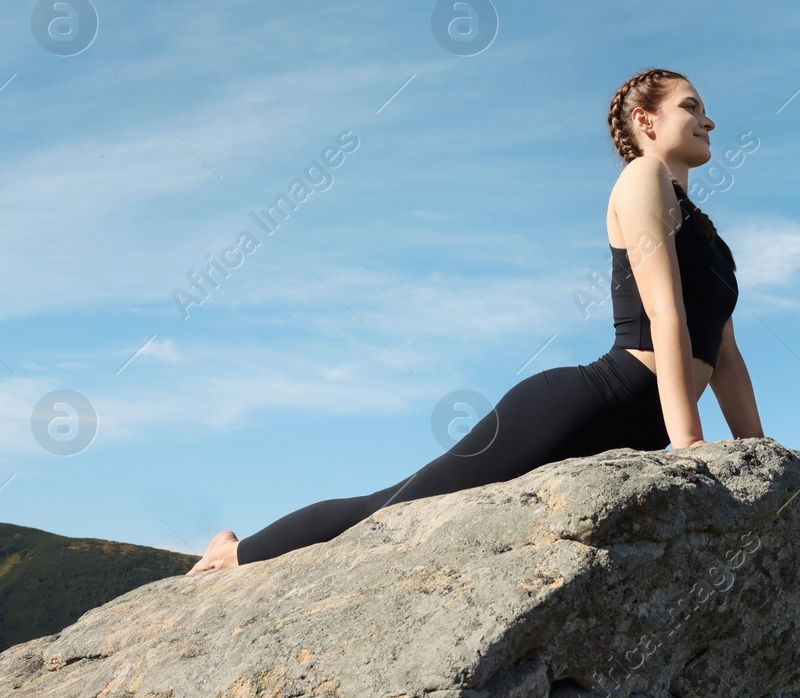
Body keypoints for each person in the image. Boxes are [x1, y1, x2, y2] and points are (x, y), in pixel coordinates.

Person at [186, 68, 766, 573]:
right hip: (586, 408)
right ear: (646, 120)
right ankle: (234, 554)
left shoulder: (710, 238)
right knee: (390, 511)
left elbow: (726, 357)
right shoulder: (643, 179)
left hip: (637, 429)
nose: (708, 121)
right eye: (691, 106)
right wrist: (690, 444)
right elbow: (664, 313)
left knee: (397, 504)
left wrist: (759, 460)